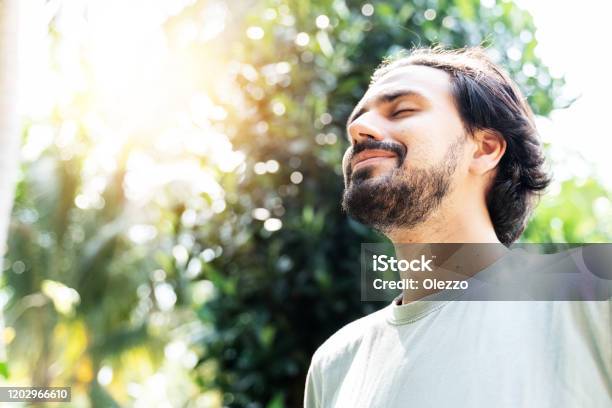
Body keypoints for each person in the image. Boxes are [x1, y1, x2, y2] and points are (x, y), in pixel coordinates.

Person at [303, 47, 611, 407]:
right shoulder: (335, 362)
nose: (357, 129)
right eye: (356, 123)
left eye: (401, 110)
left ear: (484, 149)